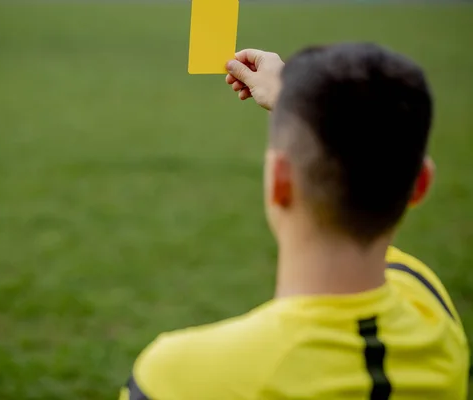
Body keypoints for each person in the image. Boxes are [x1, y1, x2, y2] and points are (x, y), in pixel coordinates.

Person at [118, 43, 469, 400]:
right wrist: (294, 97)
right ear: (420, 184)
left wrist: (294, 99)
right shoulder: (430, 305)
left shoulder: (180, 378)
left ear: (280, 181)